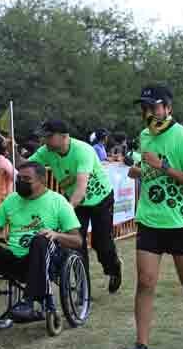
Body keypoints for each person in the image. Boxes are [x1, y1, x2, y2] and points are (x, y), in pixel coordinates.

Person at [120, 84, 183, 349]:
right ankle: (141, 346)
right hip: (149, 219)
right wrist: (139, 170)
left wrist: (161, 167)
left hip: (180, 221)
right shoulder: (145, 136)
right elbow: (143, 168)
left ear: (168, 108)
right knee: (146, 282)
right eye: (144, 108)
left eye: (154, 107)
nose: (148, 113)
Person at [0, 162, 84, 325]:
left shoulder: (58, 202)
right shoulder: (11, 200)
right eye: (19, 178)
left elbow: (77, 241)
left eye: (26, 179)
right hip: (15, 258)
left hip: (46, 259)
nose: (20, 182)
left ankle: (28, 303)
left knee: (41, 239)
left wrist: (55, 235)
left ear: (42, 180)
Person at [29, 120, 124, 295]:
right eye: (44, 137)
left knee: (101, 243)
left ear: (64, 136)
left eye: (49, 137)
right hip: (76, 203)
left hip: (100, 200)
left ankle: (114, 267)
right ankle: (83, 288)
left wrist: (65, 211)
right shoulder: (46, 151)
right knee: (75, 243)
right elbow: (25, 166)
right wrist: (7, 154)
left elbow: (80, 190)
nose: (45, 141)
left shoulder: (83, 150)